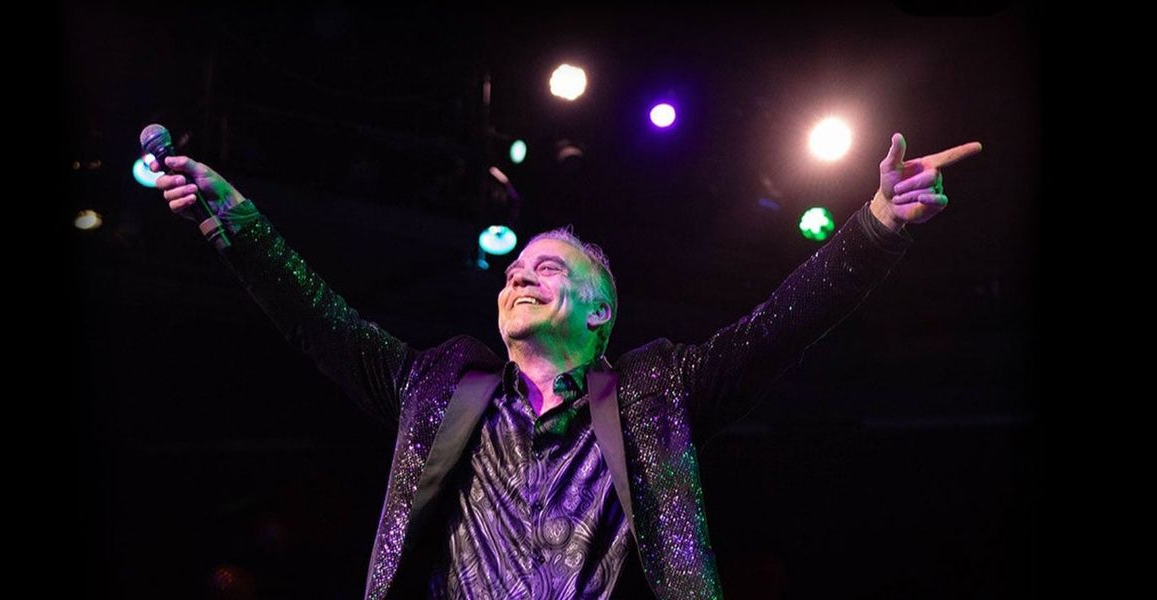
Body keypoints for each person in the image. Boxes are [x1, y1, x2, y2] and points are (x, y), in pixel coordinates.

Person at [150, 133, 981, 599]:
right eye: (515, 270)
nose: (519, 276)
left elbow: (780, 326)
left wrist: (878, 223)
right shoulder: (437, 390)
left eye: (546, 268)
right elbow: (321, 323)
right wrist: (240, 227)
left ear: (598, 312)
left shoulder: (658, 395)